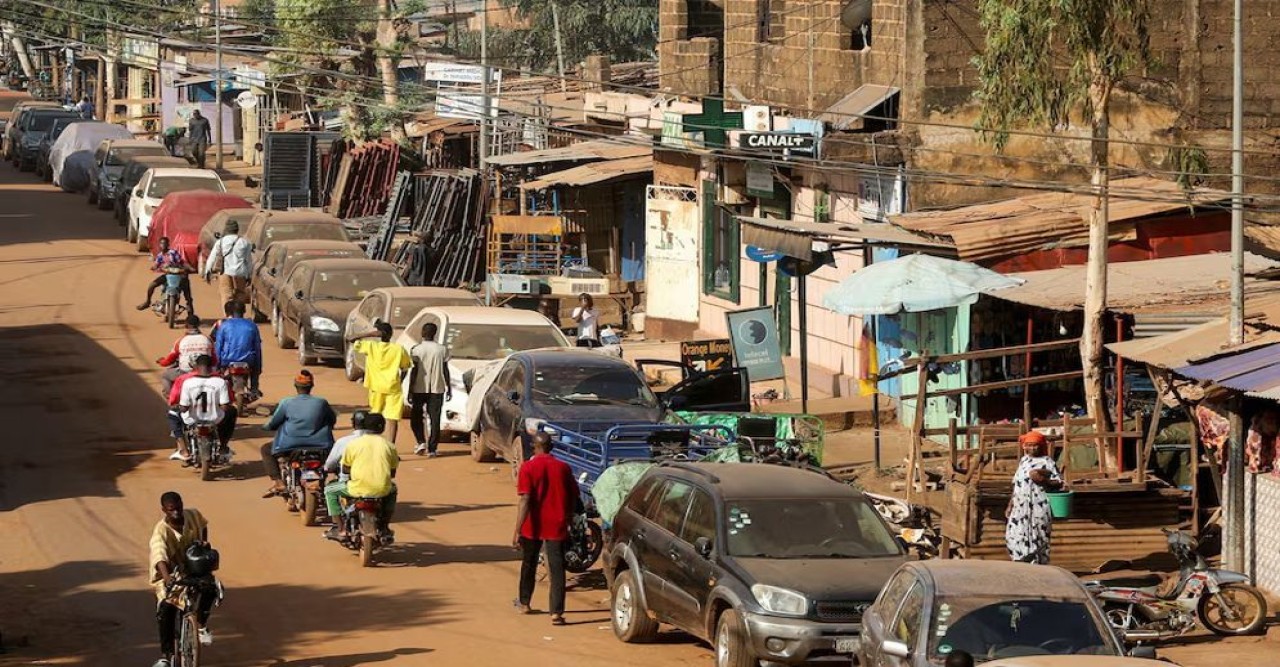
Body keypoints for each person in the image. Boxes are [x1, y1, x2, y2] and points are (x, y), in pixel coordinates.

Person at [512, 432, 580, 625]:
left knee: (529, 563)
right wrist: (567, 517)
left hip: (532, 525)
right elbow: (574, 495)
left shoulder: (528, 468)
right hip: (557, 524)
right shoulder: (563, 468)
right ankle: (556, 613)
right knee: (557, 568)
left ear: (535, 446)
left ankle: (525, 603)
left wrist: (517, 530)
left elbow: (525, 499)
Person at [148, 492, 214, 667]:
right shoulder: (161, 531)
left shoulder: (193, 515)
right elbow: (159, 557)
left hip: (191, 569)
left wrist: (204, 543)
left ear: (182, 505)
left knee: (210, 587)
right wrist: (167, 577)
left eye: (178, 508)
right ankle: (166, 655)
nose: (176, 512)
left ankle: (200, 626)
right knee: (166, 609)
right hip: (168, 574)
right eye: (172, 510)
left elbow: (203, 525)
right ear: (164, 510)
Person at [261, 370, 336, 497]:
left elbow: (274, 423)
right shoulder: (321, 402)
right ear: (311, 386)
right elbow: (332, 420)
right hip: (321, 446)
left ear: (295, 386)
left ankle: (278, 482)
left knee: (266, 449)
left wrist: (266, 427)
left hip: (289, 447)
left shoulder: (286, 402)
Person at [324, 413, 399, 541]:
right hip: (382, 489)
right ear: (382, 428)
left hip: (356, 488)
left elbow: (345, 469)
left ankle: (340, 528)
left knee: (329, 490)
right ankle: (385, 525)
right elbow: (392, 473)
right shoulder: (389, 446)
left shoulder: (353, 444)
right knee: (393, 490)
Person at [346, 321, 411, 448]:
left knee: (374, 417)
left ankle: (373, 446)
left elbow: (350, 338)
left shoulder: (371, 346)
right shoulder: (398, 349)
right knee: (392, 419)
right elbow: (405, 368)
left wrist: (370, 333)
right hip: (393, 387)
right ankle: (391, 447)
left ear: (378, 334)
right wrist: (400, 381)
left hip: (376, 387)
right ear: (391, 334)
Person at [1005, 430, 1064, 565]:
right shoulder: (1023, 461)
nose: (1032, 448)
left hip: (1038, 506)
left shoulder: (1047, 462)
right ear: (1024, 446)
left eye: (1035, 445)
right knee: (1013, 535)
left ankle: (1037, 567)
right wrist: (1010, 505)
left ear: (1041, 446)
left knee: (1039, 536)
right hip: (1020, 508)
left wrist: (1043, 480)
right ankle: (1021, 562)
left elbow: (1059, 483)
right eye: (1029, 445)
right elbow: (1017, 485)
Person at [168, 355, 236, 462]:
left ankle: (184, 450)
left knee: (172, 414)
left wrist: (180, 408)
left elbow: (184, 408)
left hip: (192, 419)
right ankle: (223, 447)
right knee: (233, 411)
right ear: (211, 367)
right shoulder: (220, 381)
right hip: (215, 419)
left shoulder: (188, 382)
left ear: (196, 366)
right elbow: (224, 406)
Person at [408, 322, 451, 457]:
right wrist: (449, 387)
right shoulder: (442, 349)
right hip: (437, 389)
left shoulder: (416, 349)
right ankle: (432, 448)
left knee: (416, 417)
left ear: (422, 333)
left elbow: (414, 371)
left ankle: (421, 441)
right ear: (435, 334)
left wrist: (410, 388)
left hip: (419, 388)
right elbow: (445, 370)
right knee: (435, 419)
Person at [155, 314, 215, 397]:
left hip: (185, 372)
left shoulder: (181, 341)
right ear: (199, 324)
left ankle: (170, 397)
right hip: (206, 372)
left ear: (186, 325)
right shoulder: (208, 339)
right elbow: (214, 358)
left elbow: (169, 360)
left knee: (165, 376)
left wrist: (161, 362)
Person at [212, 300, 263, 396]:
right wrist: (258, 366)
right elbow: (257, 348)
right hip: (248, 360)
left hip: (227, 360)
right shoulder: (252, 325)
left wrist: (217, 365)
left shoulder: (224, 325)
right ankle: (254, 389)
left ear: (230, 312)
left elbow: (218, 347)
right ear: (244, 311)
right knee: (255, 371)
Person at [202, 219, 253, 307]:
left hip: (225, 272)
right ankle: (239, 315)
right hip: (240, 273)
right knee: (240, 295)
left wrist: (207, 271)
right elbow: (248, 261)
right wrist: (249, 275)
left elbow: (212, 258)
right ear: (237, 230)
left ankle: (228, 317)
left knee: (226, 294)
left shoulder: (220, 242)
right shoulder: (245, 242)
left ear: (226, 230)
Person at [138, 237, 195, 313]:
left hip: (179, 275)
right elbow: (157, 264)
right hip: (168, 275)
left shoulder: (173, 253)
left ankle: (190, 314)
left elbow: (182, 262)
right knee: (151, 285)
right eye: (161, 243)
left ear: (168, 244)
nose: (163, 245)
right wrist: (154, 267)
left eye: (164, 243)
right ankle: (148, 301)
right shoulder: (160, 256)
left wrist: (190, 268)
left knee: (187, 293)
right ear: (159, 245)